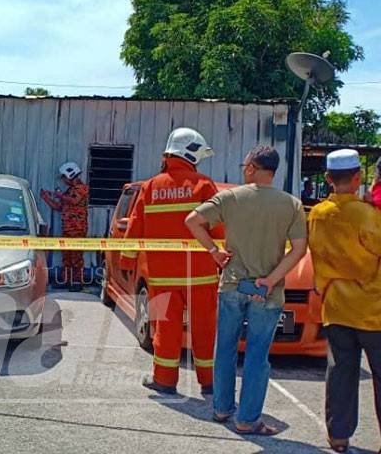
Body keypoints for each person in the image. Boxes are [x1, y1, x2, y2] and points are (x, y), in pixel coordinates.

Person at [186, 146, 308, 436]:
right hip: (267, 292)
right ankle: (248, 419)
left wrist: (214, 251)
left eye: (245, 165)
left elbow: (192, 221)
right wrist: (270, 279)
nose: (244, 169)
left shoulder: (230, 198)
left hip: (231, 284)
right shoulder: (291, 205)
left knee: (225, 349)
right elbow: (300, 249)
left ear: (252, 167)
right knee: (256, 355)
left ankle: (221, 408)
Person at [122, 128, 223, 396]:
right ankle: (209, 382)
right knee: (204, 328)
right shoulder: (203, 185)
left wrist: (126, 259)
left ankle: (165, 381)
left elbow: (134, 226)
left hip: (162, 274)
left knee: (165, 327)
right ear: (190, 152)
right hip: (200, 273)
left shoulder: (151, 187)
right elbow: (218, 227)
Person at [307, 149, 381, 453]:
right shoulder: (368, 215)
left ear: (326, 178)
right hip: (374, 310)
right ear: (357, 177)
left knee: (340, 373)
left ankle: (338, 436)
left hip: (336, 307)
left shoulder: (317, 213)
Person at [40, 161, 89, 291]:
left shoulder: (82, 189)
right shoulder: (69, 191)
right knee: (66, 256)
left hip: (77, 229)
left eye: (63, 177)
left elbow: (74, 200)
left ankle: (77, 282)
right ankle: (67, 280)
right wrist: (46, 198)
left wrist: (59, 195)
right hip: (67, 229)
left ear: (70, 174)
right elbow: (59, 207)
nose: (63, 180)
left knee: (76, 257)